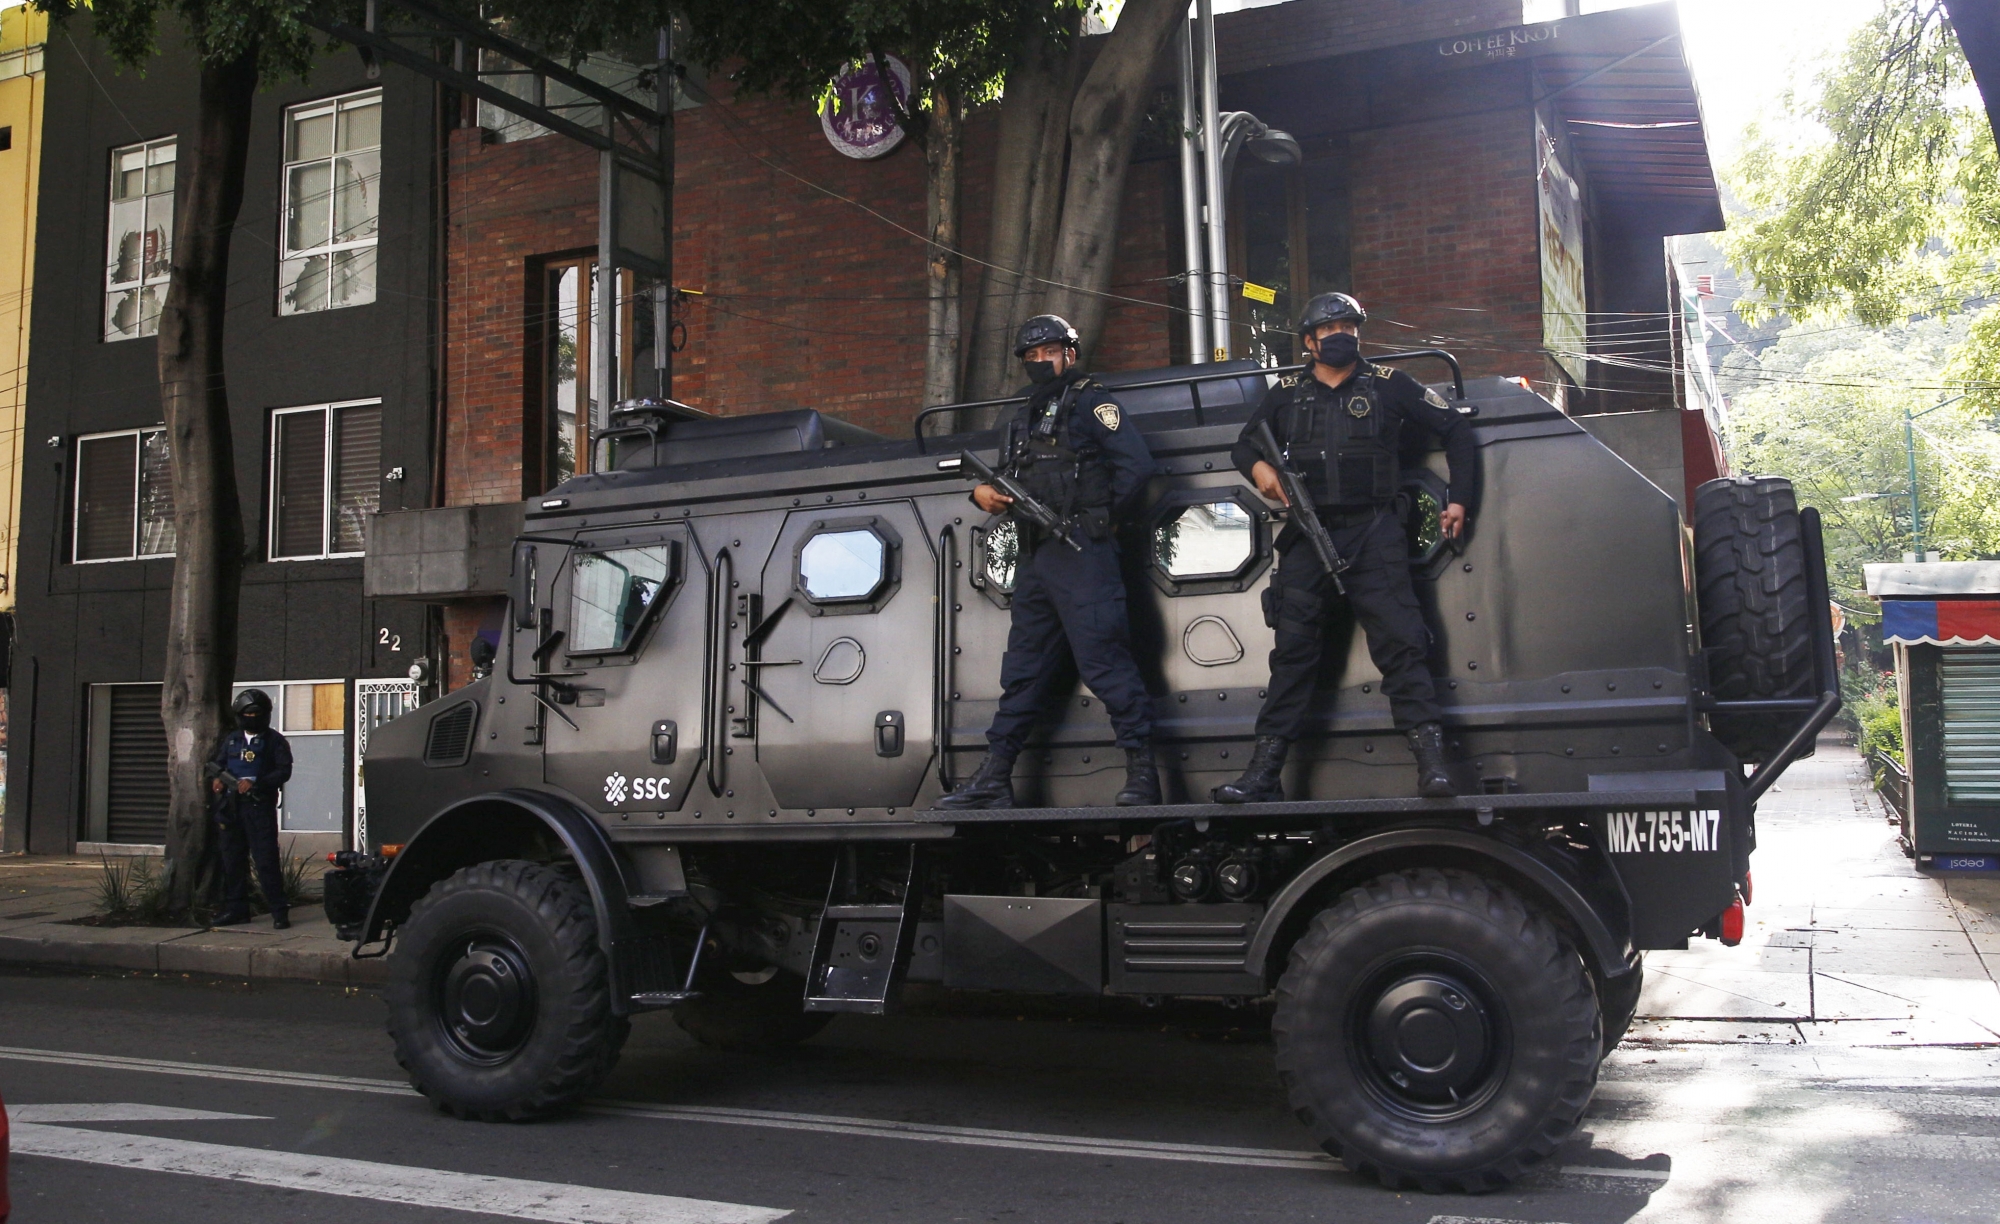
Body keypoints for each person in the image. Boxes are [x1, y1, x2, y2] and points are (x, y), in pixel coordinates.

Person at [1215, 292, 1479, 803]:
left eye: (1348, 326)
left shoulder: (1390, 385)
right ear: (1309, 342)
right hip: (1307, 536)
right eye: (1329, 328)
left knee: (1402, 644)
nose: (1341, 335)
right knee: (1292, 656)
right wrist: (1260, 469)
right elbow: (1243, 444)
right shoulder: (1286, 392)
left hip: (1374, 529)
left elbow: (1456, 430)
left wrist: (1459, 499)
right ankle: (1262, 775)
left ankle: (1432, 765)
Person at [936, 314, 1162, 810]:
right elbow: (1001, 479)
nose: (1041, 362)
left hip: (1082, 552)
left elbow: (1137, 467)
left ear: (1069, 354)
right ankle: (996, 776)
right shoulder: (1019, 417)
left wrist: (1102, 522)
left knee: (1105, 661)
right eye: (1032, 356)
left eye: (1049, 353)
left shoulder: (1092, 403)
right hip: (1036, 555)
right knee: (1023, 669)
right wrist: (981, 495)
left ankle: (1143, 772)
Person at [207, 688, 294, 927]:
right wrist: (218, 780)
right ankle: (237, 909)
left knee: (265, 860)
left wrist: (256, 782)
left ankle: (279, 911)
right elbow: (218, 764)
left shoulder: (275, 740)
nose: (253, 718)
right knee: (232, 860)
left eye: (258, 713)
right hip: (230, 806)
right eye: (249, 714)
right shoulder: (232, 739)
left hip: (258, 807)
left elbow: (283, 771)